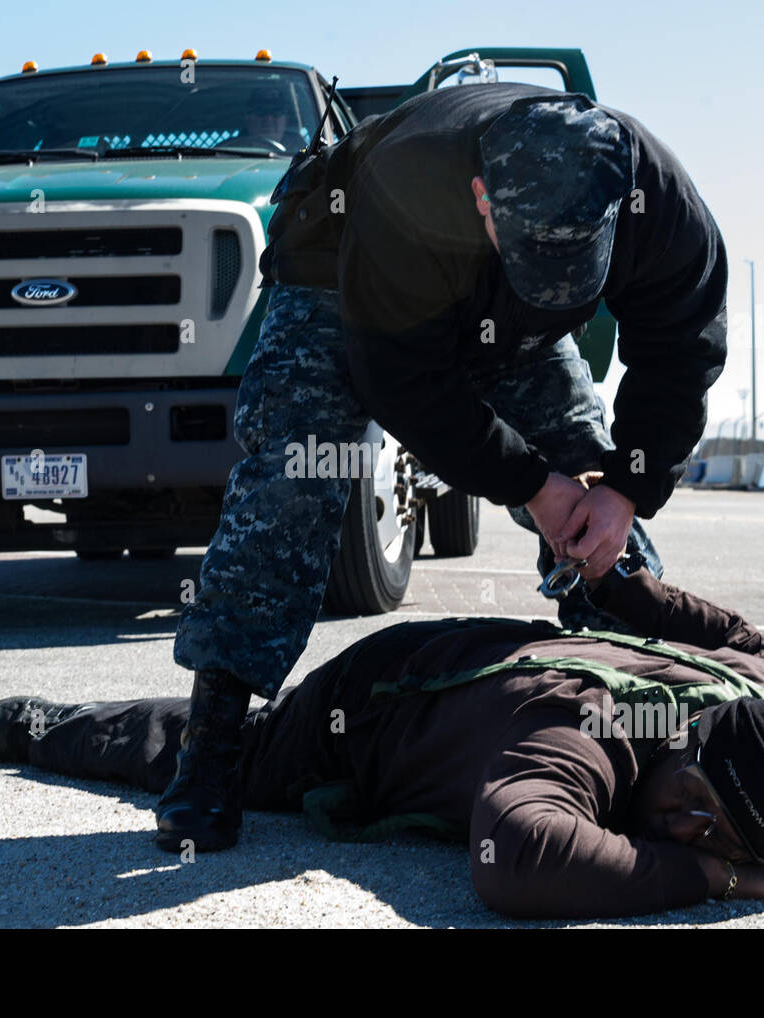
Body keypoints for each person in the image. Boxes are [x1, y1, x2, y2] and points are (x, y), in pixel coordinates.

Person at [161, 83, 728, 853]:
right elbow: (404, 382)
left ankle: (646, 720)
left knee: (590, 490)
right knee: (293, 480)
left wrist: (626, 486)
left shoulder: (656, 201)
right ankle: (214, 746)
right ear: (482, 200)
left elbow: (681, 350)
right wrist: (530, 486)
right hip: (343, 283)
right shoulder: (411, 182)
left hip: (519, 325)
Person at [0, 566, 764, 918]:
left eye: (721, 834)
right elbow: (517, 855)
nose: (684, 823)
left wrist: (623, 589)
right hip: (374, 703)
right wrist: (715, 877)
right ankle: (49, 726)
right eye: (692, 797)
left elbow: (734, 633)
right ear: (690, 731)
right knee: (219, 753)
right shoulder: (596, 728)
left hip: (495, 663)